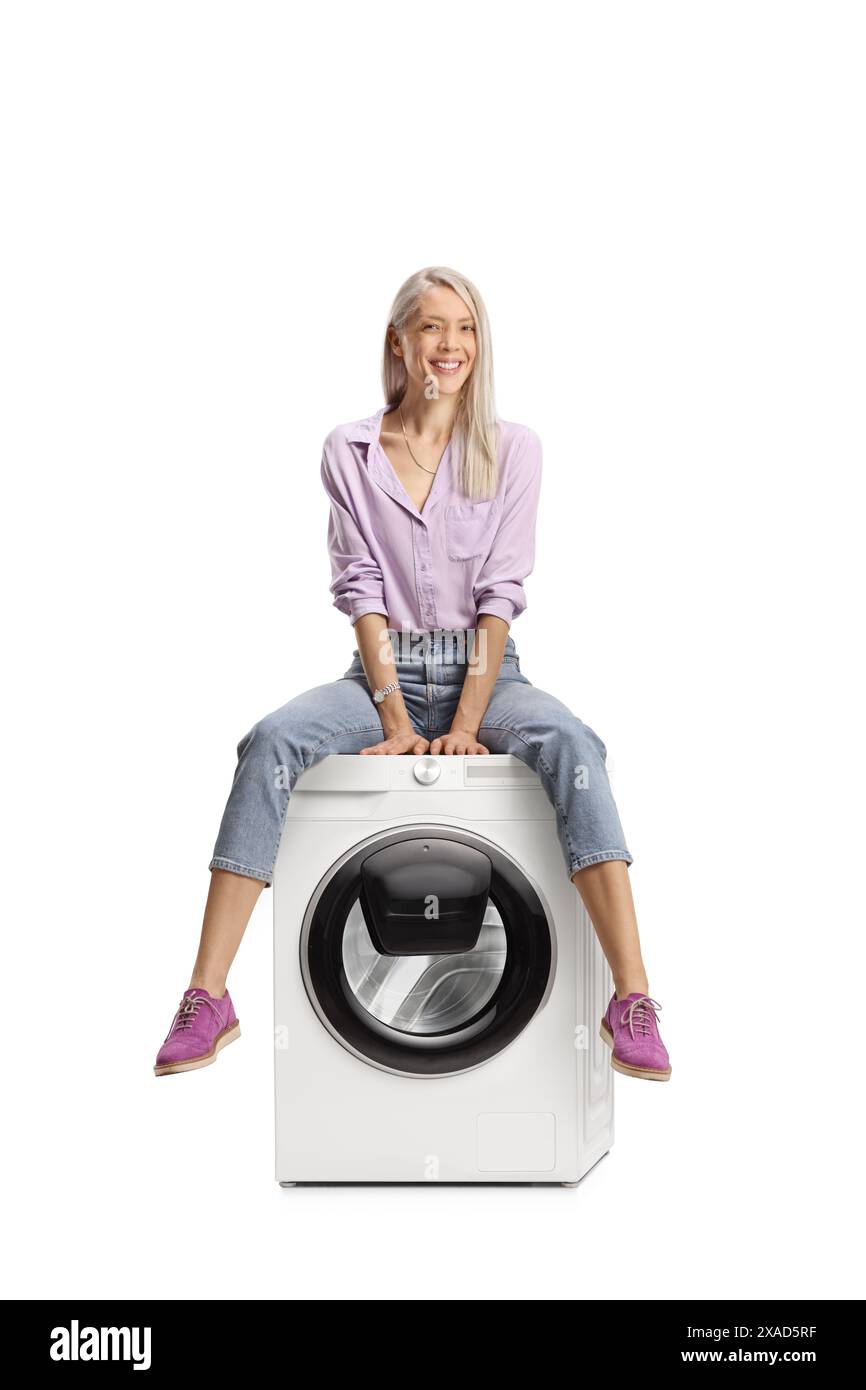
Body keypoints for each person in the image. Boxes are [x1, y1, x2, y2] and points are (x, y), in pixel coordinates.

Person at [154, 266, 671, 1083]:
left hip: (489, 674)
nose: (450, 345)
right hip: (379, 671)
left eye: (464, 328)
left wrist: (467, 723)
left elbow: (502, 592)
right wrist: (396, 718)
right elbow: (359, 585)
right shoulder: (350, 451)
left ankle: (632, 999)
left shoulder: (514, 449)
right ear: (400, 341)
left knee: (574, 743)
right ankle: (207, 997)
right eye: (432, 327)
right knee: (271, 741)